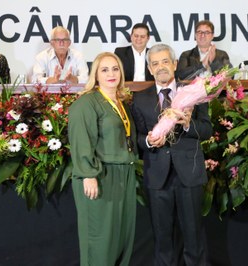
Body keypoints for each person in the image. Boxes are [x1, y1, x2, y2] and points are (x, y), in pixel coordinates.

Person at [131, 43, 212, 265]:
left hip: (189, 175)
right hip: (157, 177)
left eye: (165, 61)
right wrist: (148, 140)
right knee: (162, 240)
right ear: (149, 68)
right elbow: (136, 138)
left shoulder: (194, 92)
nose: (161, 67)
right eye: (155, 63)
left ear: (175, 64)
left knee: (194, 238)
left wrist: (188, 125)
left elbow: (207, 130)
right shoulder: (140, 99)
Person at [68, 52, 137, 266]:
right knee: (100, 242)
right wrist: (88, 175)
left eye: (115, 69)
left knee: (121, 240)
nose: (111, 74)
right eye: (104, 69)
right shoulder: (87, 103)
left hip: (124, 174)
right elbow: (81, 140)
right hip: (99, 176)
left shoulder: (121, 103)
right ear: (95, 74)